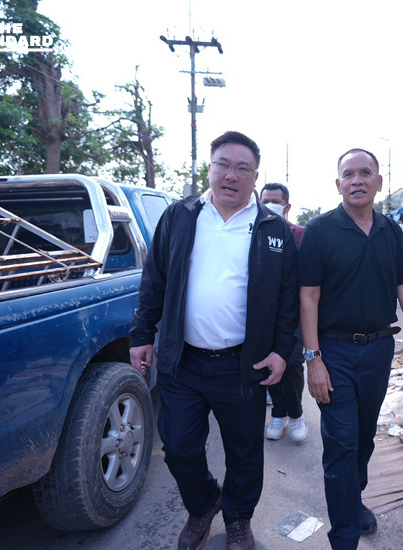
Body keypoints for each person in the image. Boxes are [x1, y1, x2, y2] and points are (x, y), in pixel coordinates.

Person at [129, 131, 298, 550]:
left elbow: (288, 298)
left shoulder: (271, 227)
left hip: (242, 364)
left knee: (245, 452)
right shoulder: (180, 216)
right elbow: (155, 280)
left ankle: (239, 518)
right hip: (182, 361)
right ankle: (204, 504)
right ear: (210, 167)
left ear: (256, 177)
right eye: (223, 164)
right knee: (178, 447)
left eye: (243, 168)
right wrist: (141, 334)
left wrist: (281, 352)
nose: (231, 175)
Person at [297, 148, 403, 549]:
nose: (357, 180)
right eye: (348, 174)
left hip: (378, 352)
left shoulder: (390, 231)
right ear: (337, 183)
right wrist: (313, 359)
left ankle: (353, 501)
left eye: (365, 173)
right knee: (341, 443)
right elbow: (308, 297)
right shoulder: (320, 231)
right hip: (334, 352)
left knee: (363, 438)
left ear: (378, 182)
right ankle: (343, 538)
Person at [259, 182, 308, 442]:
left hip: (295, 312)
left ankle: (297, 413)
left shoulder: (300, 234)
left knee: (292, 364)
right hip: (264, 314)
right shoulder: (252, 231)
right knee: (268, 364)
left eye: (274, 202)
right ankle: (278, 413)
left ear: (286, 206)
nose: (268, 206)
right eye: (264, 200)